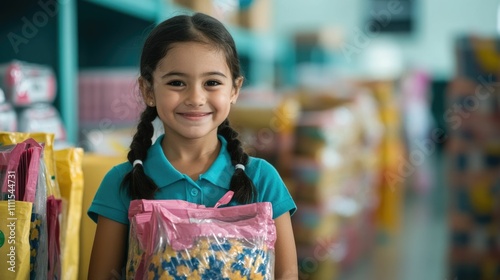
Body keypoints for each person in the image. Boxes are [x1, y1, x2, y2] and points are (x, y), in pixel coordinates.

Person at [87, 13, 298, 279]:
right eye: (176, 83)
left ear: (234, 89)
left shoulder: (262, 179)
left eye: (212, 83)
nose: (196, 98)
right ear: (148, 90)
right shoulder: (122, 183)